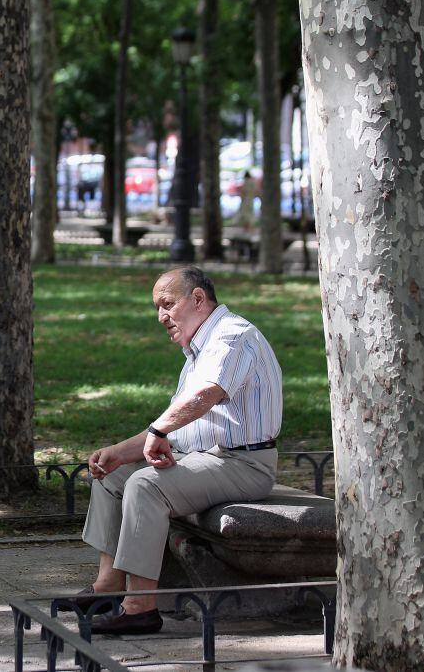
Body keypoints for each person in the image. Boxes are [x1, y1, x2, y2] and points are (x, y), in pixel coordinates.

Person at [77, 266, 282, 635]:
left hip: (243, 463)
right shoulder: (199, 349)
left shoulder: (233, 336)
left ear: (198, 299)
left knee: (145, 485)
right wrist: (119, 452)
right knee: (113, 475)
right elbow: (176, 421)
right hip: (201, 457)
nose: (161, 317)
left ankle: (140, 608)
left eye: (167, 304)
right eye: (158, 308)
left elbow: (205, 396)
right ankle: (107, 587)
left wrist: (158, 431)